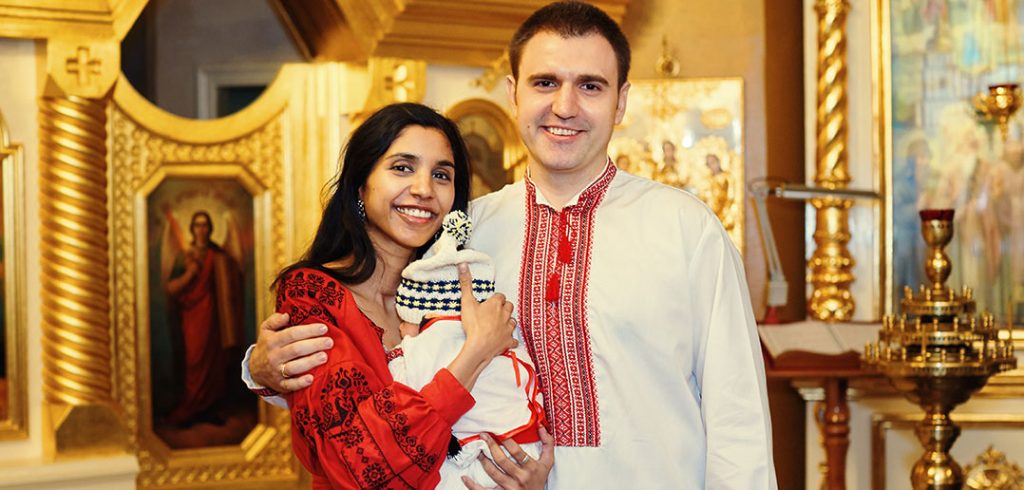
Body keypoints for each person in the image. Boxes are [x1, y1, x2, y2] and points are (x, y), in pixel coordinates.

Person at [246, 2, 776, 487]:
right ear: (513, 93)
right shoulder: (460, 232)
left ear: (621, 103)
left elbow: (738, 417)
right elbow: (382, 359)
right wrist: (261, 370)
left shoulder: (685, 229)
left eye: (591, 86)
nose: (564, 106)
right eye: (545, 82)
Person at [268, 102, 547, 488]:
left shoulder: (456, 289)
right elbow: (358, 462)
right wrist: (474, 354)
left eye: (441, 175)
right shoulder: (313, 297)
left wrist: (525, 478)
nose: (423, 189)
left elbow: (495, 415)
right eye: (402, 167)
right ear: (360, 183)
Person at [390, 210, 545, 489]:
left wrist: (406, 345)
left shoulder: (415, 349)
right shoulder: (506, 339)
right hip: (520, 449)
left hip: (455, 463)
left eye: (440, 175)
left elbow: (399, 395)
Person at [165, 210, 243, 426]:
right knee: (194, 359)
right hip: (192, 317)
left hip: (215, 318)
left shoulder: (218, 256)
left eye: (205, 225)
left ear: (210, 228)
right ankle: (192, 405)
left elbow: (231, 286)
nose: (201, 229)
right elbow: (171, 288)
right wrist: (190, 273)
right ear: (192, 229)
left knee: (214, 362)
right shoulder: (185, 256)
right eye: (197, 225)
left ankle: (210, 407)